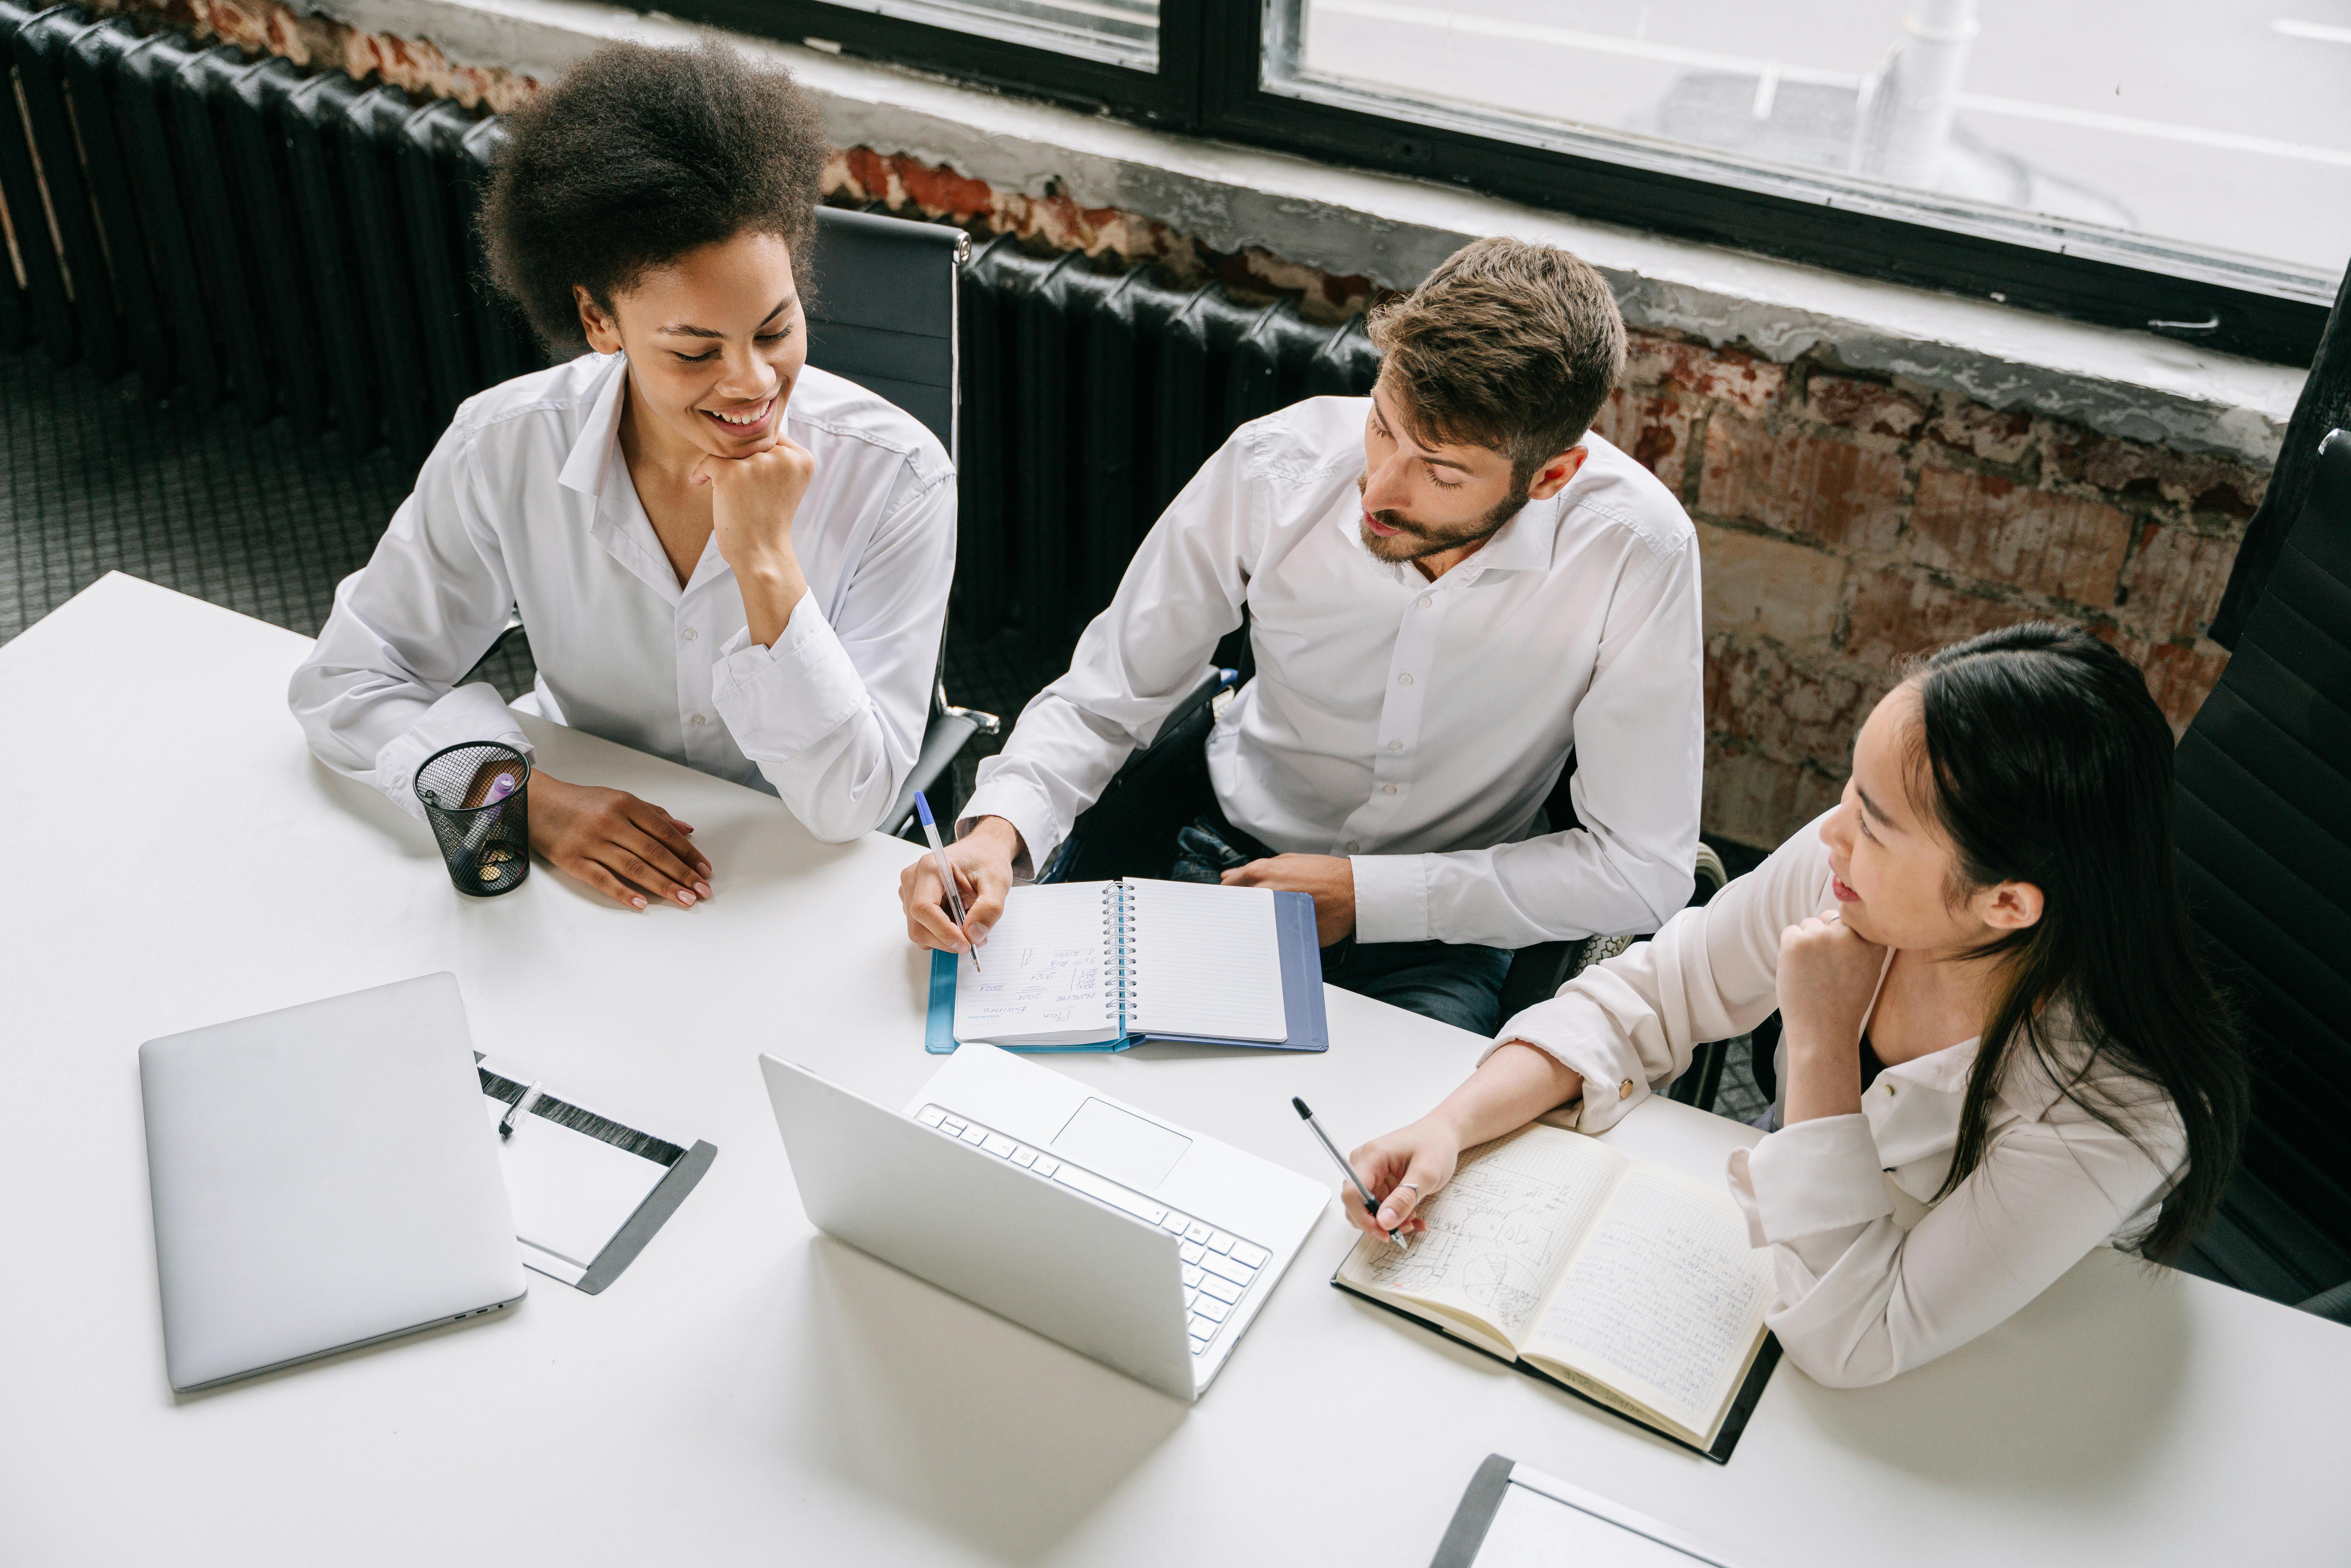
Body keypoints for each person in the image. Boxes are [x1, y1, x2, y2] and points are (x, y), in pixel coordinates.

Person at [1338, 623, 2249, 1387]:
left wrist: (1818, 1041)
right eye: (1852, 790)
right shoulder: (1847, 871)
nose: (1830, 833)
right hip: (1765, 1290)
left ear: (2006, 904)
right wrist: (1452, 1125)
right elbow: (1649, 996)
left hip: (1985, 1384)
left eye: (1877, 823)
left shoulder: (2117, 1110)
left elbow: (1855, 1337)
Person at [900, 237, 1705, 1034]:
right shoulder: (1274, 465)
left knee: (1384, 1152)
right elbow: (1106, 698)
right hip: (1217, 853)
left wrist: (1368, 899)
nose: (1379, 491)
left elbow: (1645, 870)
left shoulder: (1636, 552)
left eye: (1441, 470)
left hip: (1444, 924)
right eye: (1384, 426)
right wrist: (998, 830)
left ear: (1552, 475)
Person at [290, 41, 954, 910]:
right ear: (600, 321)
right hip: (579, 868)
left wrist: (764, 564)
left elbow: (852, 804)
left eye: (775, 328)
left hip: (788, 879)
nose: (753, 382)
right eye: (695, 350)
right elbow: (351, 681)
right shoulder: (506, 445)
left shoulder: (900, 476)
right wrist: (535, 806)